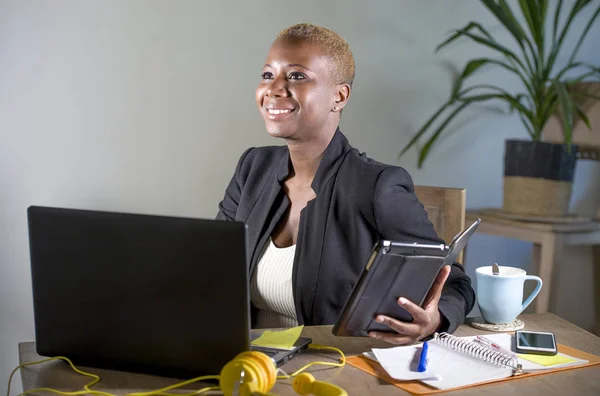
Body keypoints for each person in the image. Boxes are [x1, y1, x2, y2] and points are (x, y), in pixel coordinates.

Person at [216, 23, 475, 345]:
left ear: (339, 96)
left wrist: (435, 318)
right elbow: (214, 264)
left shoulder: (377, 186)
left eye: (296, 76)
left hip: (332, 365)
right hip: (248, 359)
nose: (274, 89)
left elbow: (455, 282)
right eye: (268, 75)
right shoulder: (252, 167)